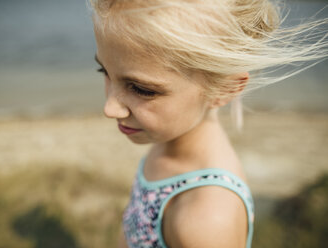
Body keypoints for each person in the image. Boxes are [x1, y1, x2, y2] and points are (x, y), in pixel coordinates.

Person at [87, 0, 328, 247]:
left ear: (225, 88)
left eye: (141, 89)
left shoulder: (206, 221)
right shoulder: (170, 137)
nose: (110, 108)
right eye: (103, 70)